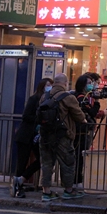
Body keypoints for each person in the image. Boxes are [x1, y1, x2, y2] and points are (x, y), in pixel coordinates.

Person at [39, 73, 85, 201]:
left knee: (46, 163)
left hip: (45, 134)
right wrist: (84, 120)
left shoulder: (44, 96)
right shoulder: (68, 97)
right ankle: (68, 190)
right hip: (62, 135)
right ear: (65, 84)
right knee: (68, 163)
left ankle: (46, 192)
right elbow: (79, 116)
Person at [11, 77, 51, 198]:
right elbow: (26, 116)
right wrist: (40, 120)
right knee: (22, 163)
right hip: (25, 136)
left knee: (41, 159)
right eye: (48, 85)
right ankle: (18, 188)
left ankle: (21, 180)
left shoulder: (48, 100)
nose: (49, 87)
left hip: (35, 137)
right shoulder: (34, 99)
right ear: (42, 86)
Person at [73, 73, 105, 190]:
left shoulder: (79, 96)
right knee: (79, 157)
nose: (92, 85)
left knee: (79, 157)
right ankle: (76, 181)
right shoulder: (81, 98)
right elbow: (92, 112)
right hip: (80, 132)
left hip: (80, 130)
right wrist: (96, 101)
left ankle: (76, 180)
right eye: (89, 83)